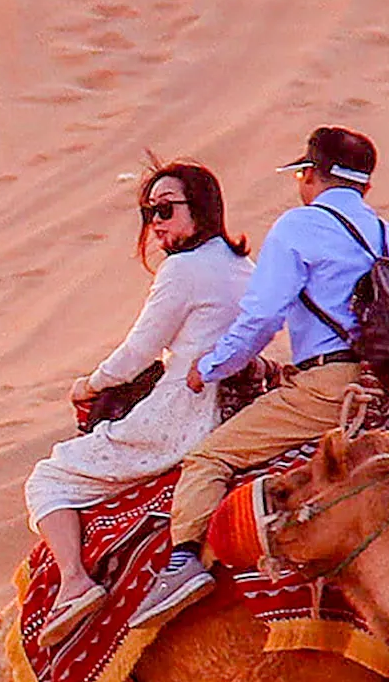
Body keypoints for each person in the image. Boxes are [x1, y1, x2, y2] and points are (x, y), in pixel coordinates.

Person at [129, 124, 389, 629]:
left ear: (310, 176)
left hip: (327, 387)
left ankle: (183, 562)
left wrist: (209, 368)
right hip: (381, 388)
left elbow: (262, 317)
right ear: (363, 185)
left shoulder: (298, 227)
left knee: (209, 457)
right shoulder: (386, 233)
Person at [27, 162, 254, 638]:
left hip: (181, 414)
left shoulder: (182, 269)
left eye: (167, 210)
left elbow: (137, 353)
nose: (156, 224)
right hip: (238, 407)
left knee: (50, 476)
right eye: (150, 213)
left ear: (202, 210)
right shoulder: (242, 266)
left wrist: (89, 385)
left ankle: (73, 582)